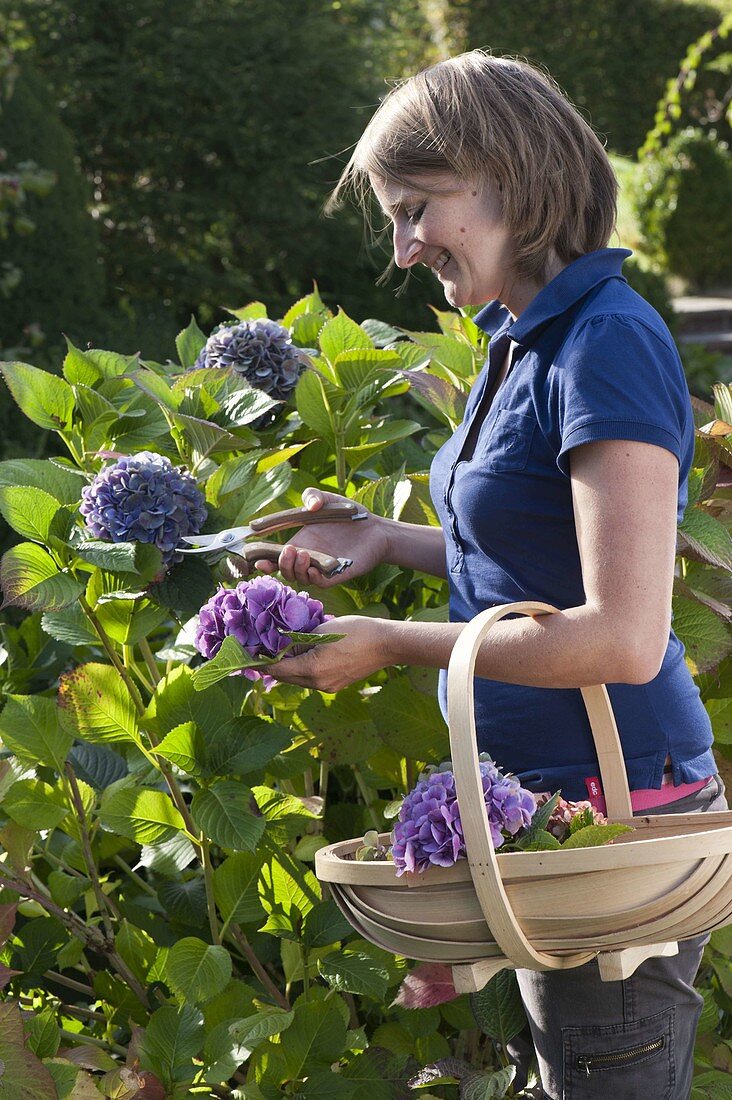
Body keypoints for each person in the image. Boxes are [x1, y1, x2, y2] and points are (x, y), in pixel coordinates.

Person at [254, 51, 726, 1099]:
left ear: (509, 175)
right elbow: (528, 551)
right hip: (546, 815)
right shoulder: (518, 342)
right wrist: (383, 535)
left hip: (617, 815)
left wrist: (388, 639)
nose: (402, 245)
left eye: (416, 207)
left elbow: (618, 633)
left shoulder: (605, 343)